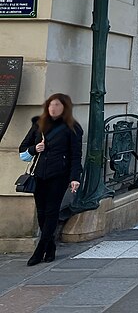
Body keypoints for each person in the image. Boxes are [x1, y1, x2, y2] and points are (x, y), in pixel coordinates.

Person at [18, 93, 83, 266]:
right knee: (41, 211)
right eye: (51, 105)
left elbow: (76, 156)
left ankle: (40, 250)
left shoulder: (72, 128)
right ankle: (51, 246)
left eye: (57, 105)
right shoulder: (38, 125)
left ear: (65, 108)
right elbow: (23, 149)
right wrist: (34, 148)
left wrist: (75, 177)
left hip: (59, 175)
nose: (53, 108)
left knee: (51, 211)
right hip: (39, 174)